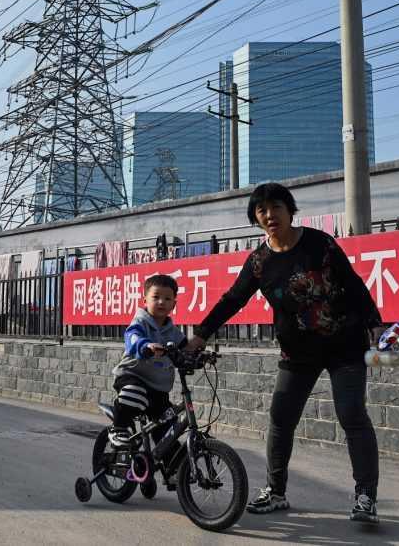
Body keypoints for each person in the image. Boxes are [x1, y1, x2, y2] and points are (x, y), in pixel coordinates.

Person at [186, 182, 383, 524]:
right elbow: (233, 299)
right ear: (256, 218)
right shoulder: (259, 261)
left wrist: (374, 322)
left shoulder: (319, 243)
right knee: (280, 419)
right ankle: (275, 491)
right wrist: (201, 334)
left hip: (345, 345)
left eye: (276, 206)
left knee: (351, 414)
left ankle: (365, 496)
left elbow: (351, 282)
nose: (269, 214)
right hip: (298, 352)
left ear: (290, 210)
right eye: (261, 210)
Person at [108, 274, 187, 448]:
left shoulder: (173, 332)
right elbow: (132, 337)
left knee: (169, 433)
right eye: (156, 297)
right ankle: (119, 427)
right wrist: (146, 346)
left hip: (158, 390)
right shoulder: (140, 322)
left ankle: (175, 470)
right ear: (145, 299)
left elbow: (186, 348)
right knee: (135, 393)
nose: (161, 302)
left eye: (167, 298)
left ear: (174, 303)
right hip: (132, 377)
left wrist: (198, 356)